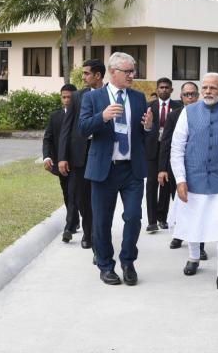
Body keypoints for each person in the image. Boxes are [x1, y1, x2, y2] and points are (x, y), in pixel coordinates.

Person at [78, 52, 154, 286]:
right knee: (102, 222)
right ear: (112, 72)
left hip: (131, 169)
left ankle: (128, 262)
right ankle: (105, 265)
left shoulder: (138, 98)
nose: (131, 75)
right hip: (104, 169)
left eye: (133, 71)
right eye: (127, 71)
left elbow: (144, 132)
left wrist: (149, 127)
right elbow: (82, 128)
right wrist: (102, 116)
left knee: (133, 217)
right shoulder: (93, 98)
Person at [170, 72, 218, 292]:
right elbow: (177, 148)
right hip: (194, 178)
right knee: (194, 220)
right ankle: (194, 257)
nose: (208, 91)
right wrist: (180, 179)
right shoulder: (188, 112)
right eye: (204, 87)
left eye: (213, 88)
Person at [58, 59, 105, 247]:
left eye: (86, 73)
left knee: (100, 196)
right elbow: (66, 128)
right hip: (80, 155)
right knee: (82, 197)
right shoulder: (77, 97)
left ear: (98, 75)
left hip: (102, 151)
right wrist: (62, 157)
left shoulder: (110, 95)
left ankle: (96, 233)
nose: (83, 77)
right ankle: (88, 232)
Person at [157, 82, 207, 257]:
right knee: (179, 203)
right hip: (177, 168)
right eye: (186, 94)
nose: (190, 98)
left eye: (193, 94)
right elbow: (166, 142)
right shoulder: (174, 116)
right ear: (181, 97)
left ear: (198, 96)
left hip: (199, 168)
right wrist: (162, 168)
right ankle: (179, 235)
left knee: (199, 207)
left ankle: (200, 246)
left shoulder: (205, 114)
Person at [145, 77, 183, 233]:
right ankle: (152, 221)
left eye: (167, 87)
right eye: (161, 87)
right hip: (152, 149)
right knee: (151, 184)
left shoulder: (178, 107)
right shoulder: (148, 107)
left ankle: (162, 217)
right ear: (157, 89)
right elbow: (143, 128)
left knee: (166, 184)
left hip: (170, 149)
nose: (164, 90)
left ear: (171, 90)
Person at [43, 84, 77, 232]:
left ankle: (69, 227)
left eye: (70, 97)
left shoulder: (82, 115)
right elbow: (48, 138)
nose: (67, 100)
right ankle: (74, 221)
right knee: (66, 193)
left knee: (73, 193)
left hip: (79, 162)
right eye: (64, 97)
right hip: (60, 162)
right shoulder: (55, 117)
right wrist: (46, 157)